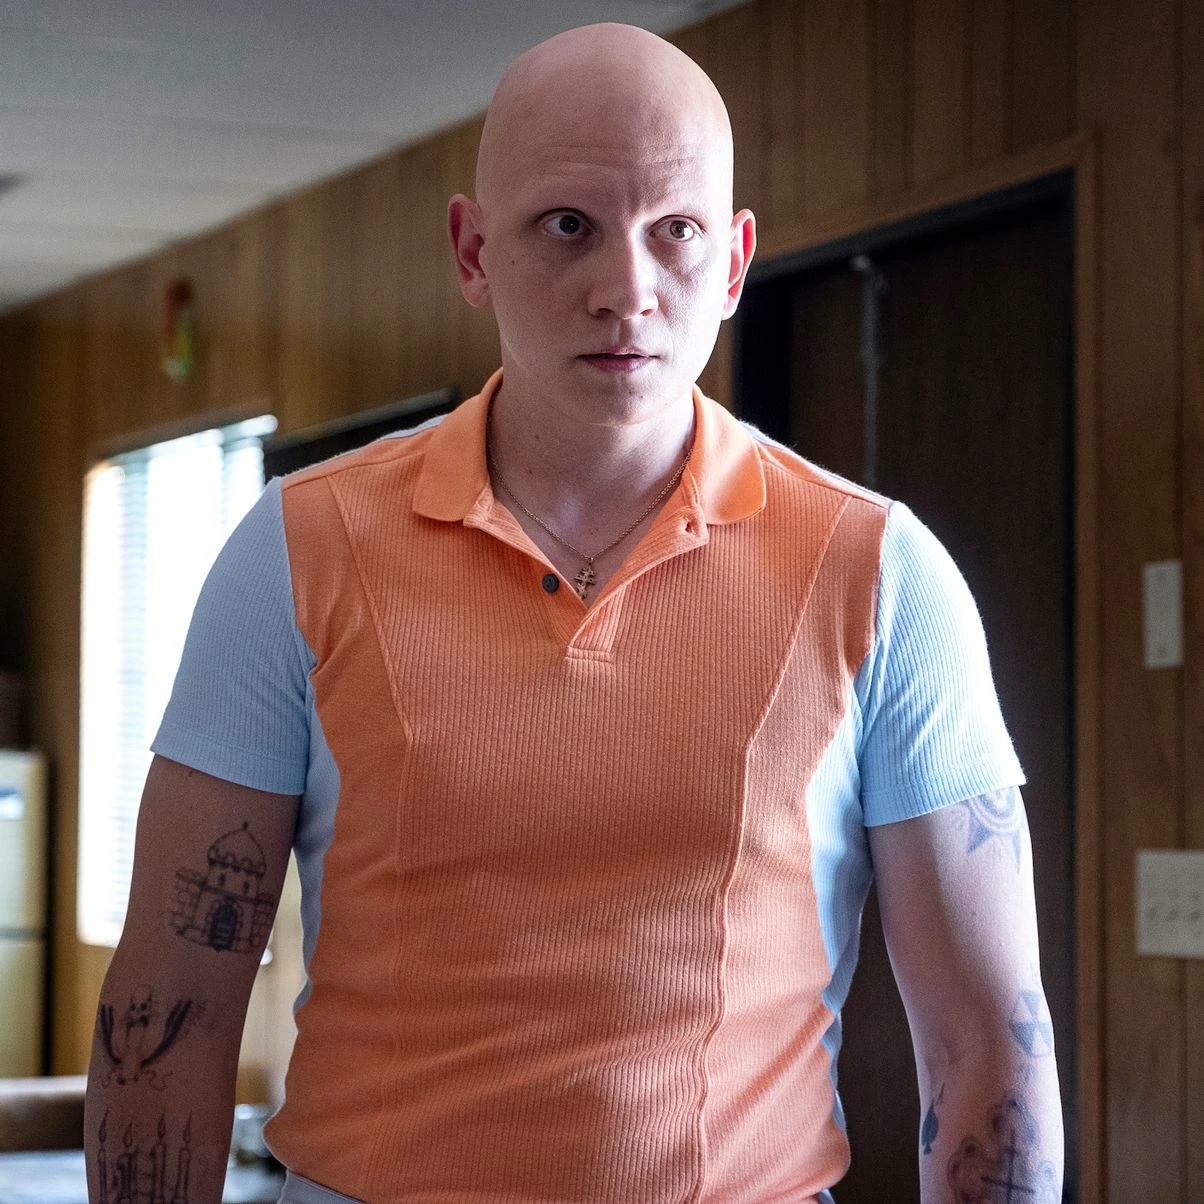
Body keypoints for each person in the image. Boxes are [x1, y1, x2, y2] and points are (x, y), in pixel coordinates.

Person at [85, 22, 1063, 1204]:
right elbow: (172, 1004)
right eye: (567, 226)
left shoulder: (881, 573)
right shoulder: (295, 550)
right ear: (471, 250)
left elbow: (986, 1041)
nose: (626, 291)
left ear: (735, 262)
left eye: (675, 231)